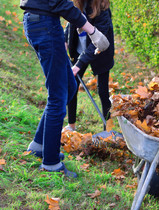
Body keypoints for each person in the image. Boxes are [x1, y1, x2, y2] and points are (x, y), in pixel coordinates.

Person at [20, 0, 110, 178]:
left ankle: (39, 145)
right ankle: (51, 164)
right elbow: (58, 1)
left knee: (69, 86)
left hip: (43, 22)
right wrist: (92, 31)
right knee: (57, 97)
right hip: (44, 24)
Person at [63, 0, 114, 132]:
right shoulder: (77, 3)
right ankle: (71, 125)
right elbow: (70, 24)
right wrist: (65, 41)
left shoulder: (103, 10)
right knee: (72, 86)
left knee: (103, 91)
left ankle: (108, 130)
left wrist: (79, 64)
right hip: (80, 50)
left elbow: (99, 41)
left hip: (100, 53)